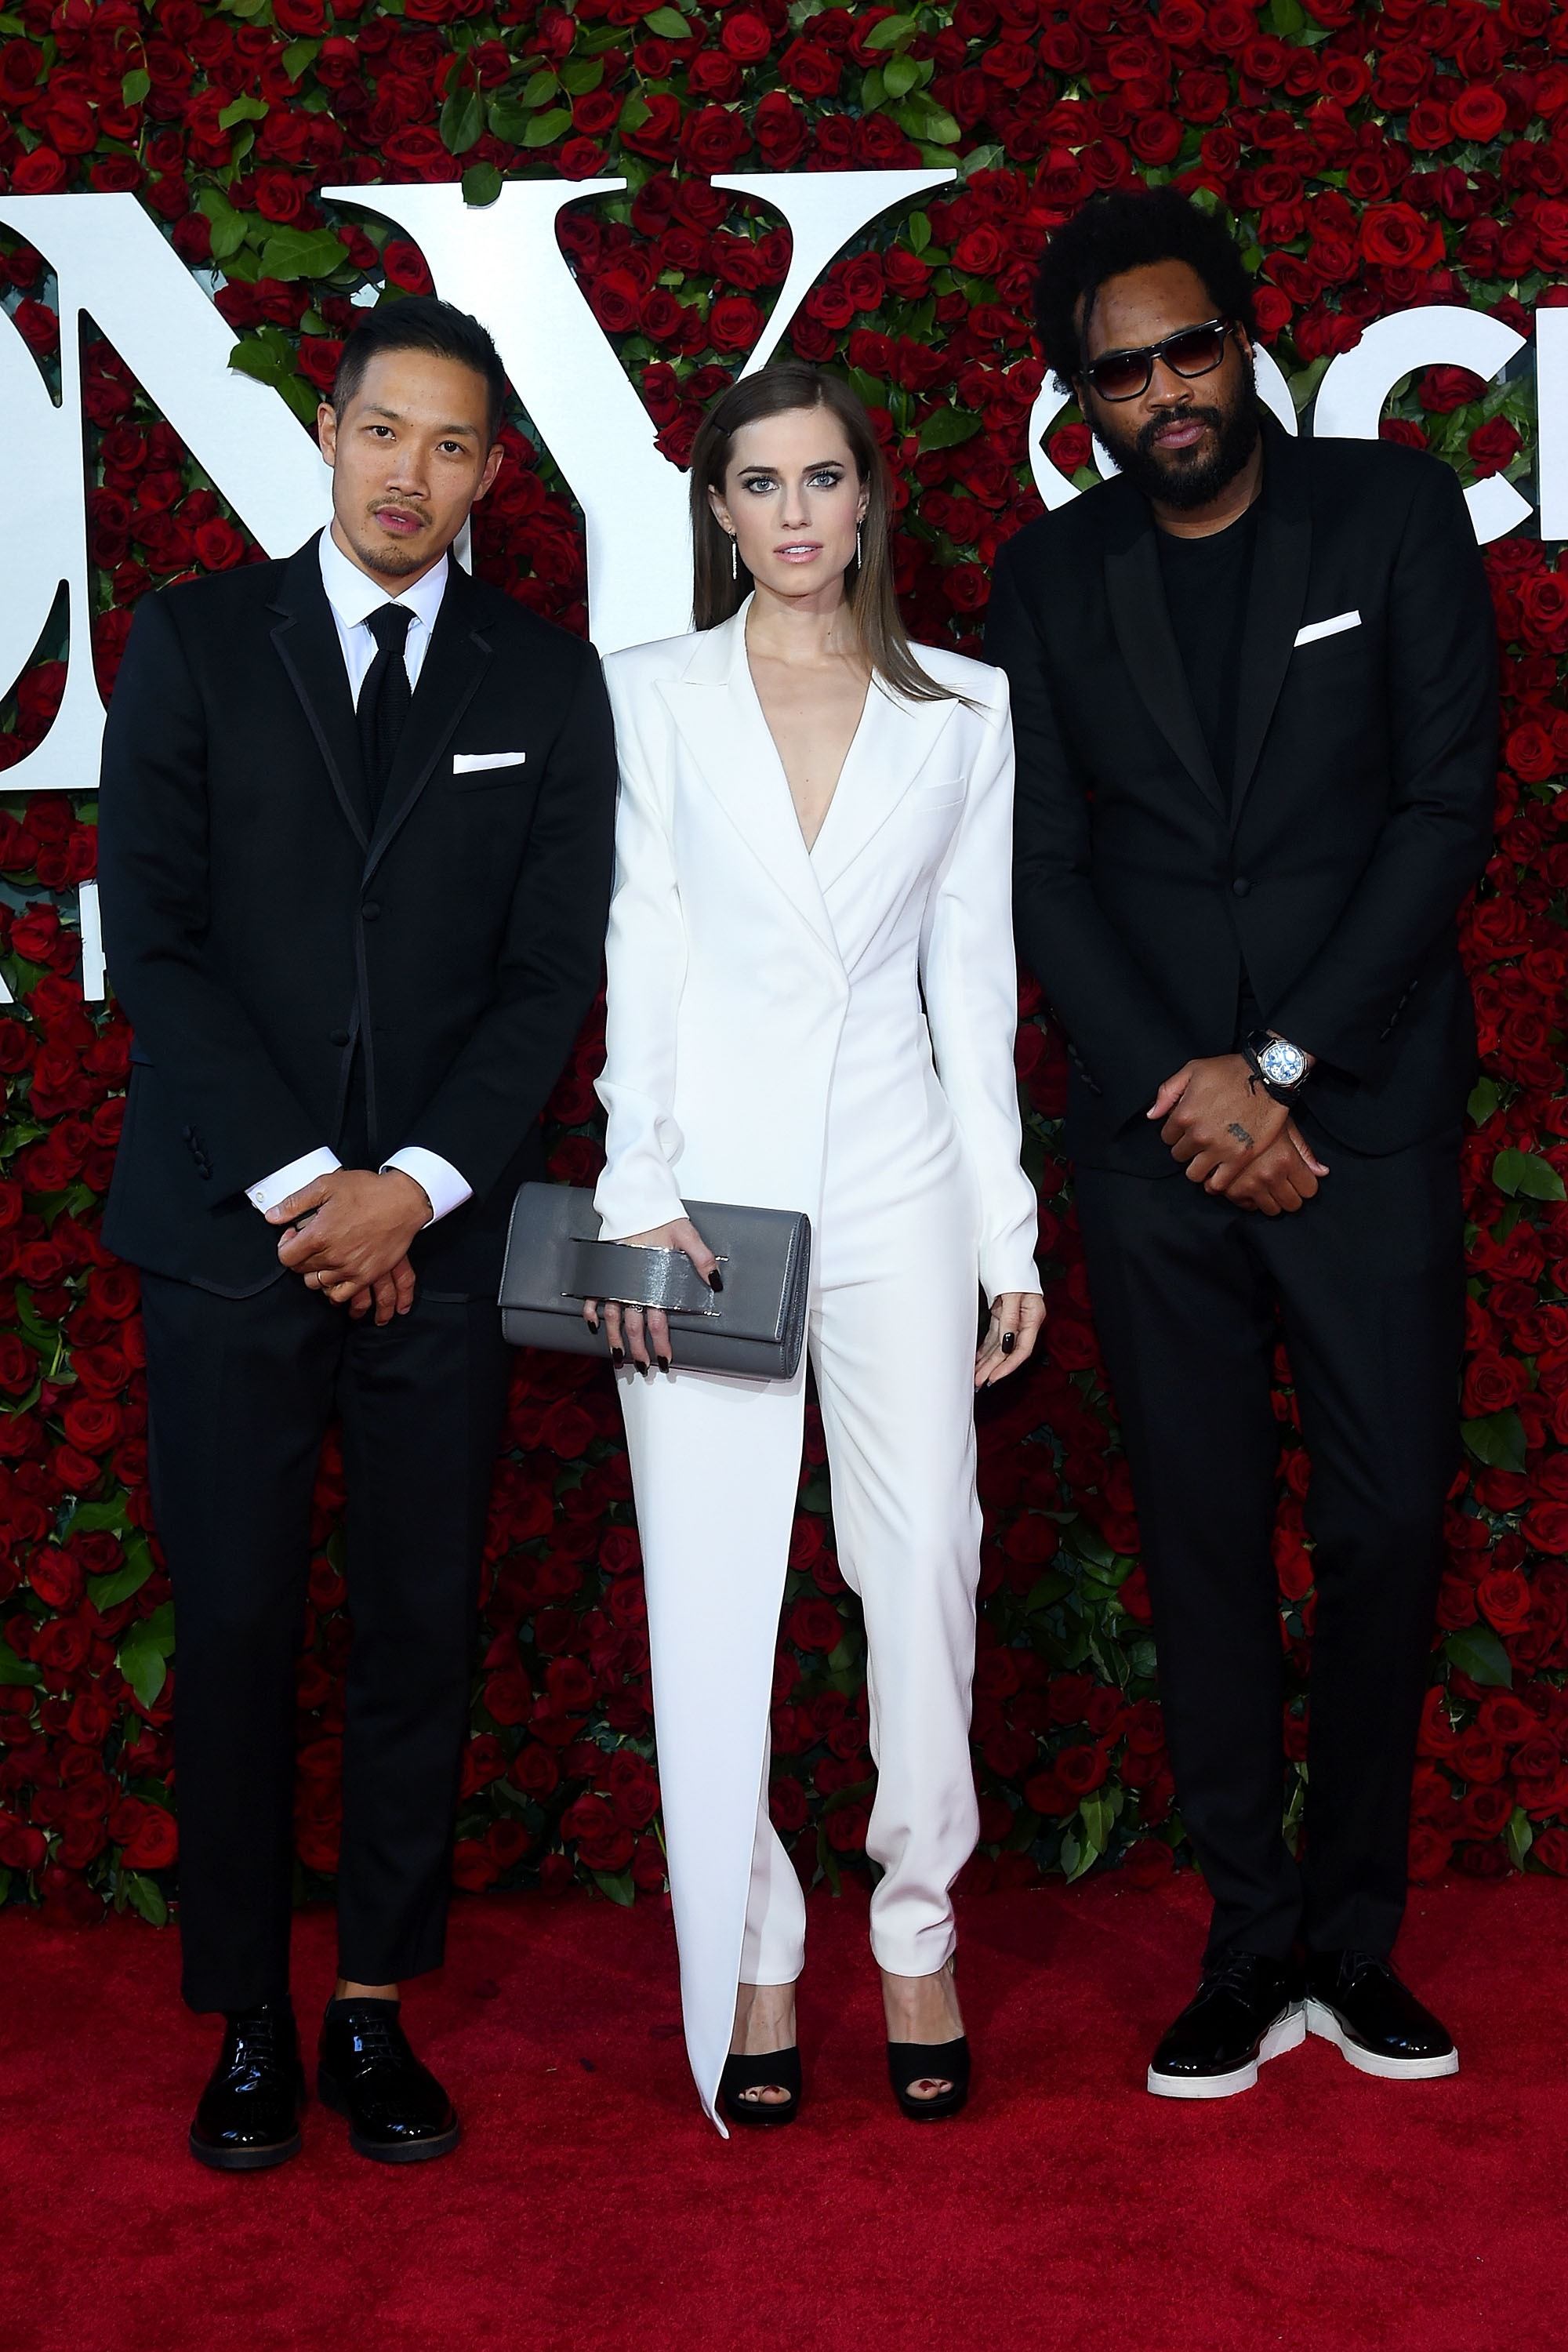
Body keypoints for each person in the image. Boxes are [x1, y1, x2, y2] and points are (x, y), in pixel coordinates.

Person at [989, 188, 1497, 2098]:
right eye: (1118, 371)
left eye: (1188, 348)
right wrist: (1188, 1091)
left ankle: (1354, 1943)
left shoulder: (1392, 514)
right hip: (1154, 1150)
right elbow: (1042, 869)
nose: (1162, 391)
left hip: (1356, 1118)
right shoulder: (1044, 586)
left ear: (1245, 342)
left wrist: (1276, 1067)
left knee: (1378, 1527)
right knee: (1200, 1542)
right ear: (1080, 399)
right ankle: (1242, 1943)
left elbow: (1445, 807)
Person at [98, 297, 616, 2168]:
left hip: (445, 1244)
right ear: (329, 435)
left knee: (418, 1630)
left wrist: (418, 1189)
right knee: (236, 1625)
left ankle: (374, 2010)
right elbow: (151, 938)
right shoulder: (193, 642)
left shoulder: (544, 684)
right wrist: (313, 1191)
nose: (414, 475)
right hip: (234, 1233)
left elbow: (551, 970)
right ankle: (243, 2017)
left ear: (491, 473)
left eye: (455, 446)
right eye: (386, 433)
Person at [586, 362, 1043, 2133]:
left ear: (869, 502)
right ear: (715, 511)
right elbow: (645, 948)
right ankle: (758, 1946)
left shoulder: (967, 714)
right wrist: (635, 1188)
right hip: (698, 1202)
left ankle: (914, 1920)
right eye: (757, 483)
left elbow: (972, 984)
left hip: (899, 1178)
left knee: (923, 1560)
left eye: (822, 479)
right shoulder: (650, 702)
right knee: (714, 1599)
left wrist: (1003, 1233)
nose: (792, 513)